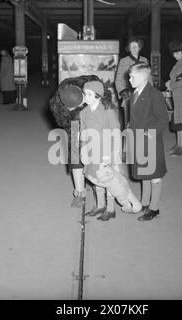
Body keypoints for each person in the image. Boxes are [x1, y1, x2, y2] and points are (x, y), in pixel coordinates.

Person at [49, 75, 100, 208]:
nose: (83, 104)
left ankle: (98, 186)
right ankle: (80, 192)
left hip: (93, 123)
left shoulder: (88, 83)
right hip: (73, 125)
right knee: (75, 159)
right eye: (79, 105)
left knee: (95, 157)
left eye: (84, 101)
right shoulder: (57, 106)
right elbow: (62, 123)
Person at [128, 63, 168, 221]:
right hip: (138, 139)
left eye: (133, 77)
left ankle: (154, 208)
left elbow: (163, 119)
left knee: (155, 175)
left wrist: (150, 134)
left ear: (144, 77)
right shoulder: (135, 93)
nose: (129, 79)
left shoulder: (155, 95)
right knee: (144, 172)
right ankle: (145, 203)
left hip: (150, 140)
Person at [80, 79, 121, 221]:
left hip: (106, 151)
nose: (86, 97)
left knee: (108, 179)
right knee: (96, 178)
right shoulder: (84, 112)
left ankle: (110, 209)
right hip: (92, 151)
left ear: (98, 96)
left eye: (90, 95)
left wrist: (114, 153)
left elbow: (116, 131)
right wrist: (83, 150)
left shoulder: (107, 110)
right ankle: (100, 205)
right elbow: (83, 132)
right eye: (85, 94)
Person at [115, 37, 149, 130]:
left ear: (140, 48)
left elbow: (148, 77)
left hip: (143, 94)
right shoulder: (123, 61)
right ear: (129, 48)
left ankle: (141, 141)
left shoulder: (144, 60)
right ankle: (128, 142)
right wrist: (122, 91)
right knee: (128, 122)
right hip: (128, 95)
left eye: (136, 46)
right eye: (132, 47)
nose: (134, 49)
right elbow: (118, 79)